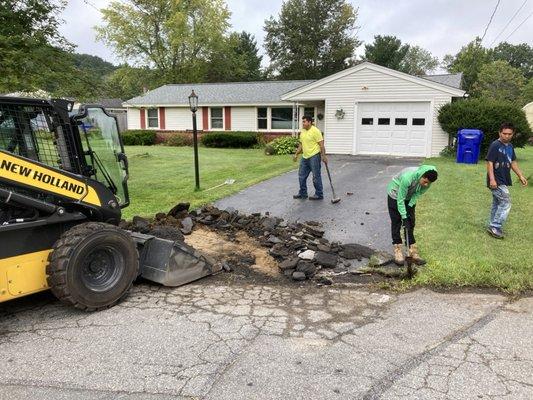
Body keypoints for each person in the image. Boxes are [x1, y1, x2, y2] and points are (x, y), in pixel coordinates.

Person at [387, 165, 438, 265]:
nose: (426, 185)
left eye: (429, 183)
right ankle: (398, 250)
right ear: (422, 176)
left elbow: (418, 193)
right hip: (395, 194)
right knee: (396, 221)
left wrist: (410, 206)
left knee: (411, 223)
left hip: (409, 196)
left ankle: (412, 251)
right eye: (425, 182)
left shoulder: (429, 180)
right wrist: (404, 216)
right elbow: (400, 199)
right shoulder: (408, 178)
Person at [485, 122, 528, 239]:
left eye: (509, 134)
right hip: (496, 180)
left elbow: (512, 162)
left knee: (497, 202)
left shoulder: (510, 146)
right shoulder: (495, 145)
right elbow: (490, 162)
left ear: (513, 134)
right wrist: (492, 180)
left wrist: (520, 176)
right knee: (506, 202)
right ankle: (495, 226)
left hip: (503, 179)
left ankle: (492, 225)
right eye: (504, 133)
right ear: (500, 133)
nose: (507, 136)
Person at [293, 115, 328, 200]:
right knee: (301, 175)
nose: (303, 123)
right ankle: (303, 193)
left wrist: (323, 156)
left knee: (316, 176)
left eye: (304, 122)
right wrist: (296, 154)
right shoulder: (303, 131)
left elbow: (321, 145)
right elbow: (301, 144)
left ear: (309, 122)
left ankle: (319, 194)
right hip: (305, 157)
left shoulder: (316, 131)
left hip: (314, 156)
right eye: (303, 122)